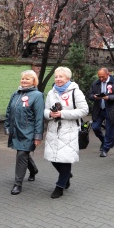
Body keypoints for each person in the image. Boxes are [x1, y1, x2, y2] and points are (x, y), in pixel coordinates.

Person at [44, 67, 88, 198]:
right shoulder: (51, 92)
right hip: (54, 129)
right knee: (53, 158)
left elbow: (84, 110)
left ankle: (60, 186)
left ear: (68, 78)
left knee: (65, 159)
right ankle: (67, 175)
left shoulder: (76, 91)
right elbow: (45, 110)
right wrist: (50, 114)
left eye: (61, 77)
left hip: (69, 130)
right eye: (56, 77)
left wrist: (62, 114)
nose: (58, 79)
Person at [4, 70, 44, 195]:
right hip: (16, 130)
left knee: (21, 154)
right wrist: (7, 126)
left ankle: (17, 184)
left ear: (34, 81)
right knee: (23, 152)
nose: (24, 81)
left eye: (28, 79)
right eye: (23, 78)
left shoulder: (38, 95)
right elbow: (9, 111)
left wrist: (38, 136)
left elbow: (39, 117)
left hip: (28, 131)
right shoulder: (15, 94)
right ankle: (33, 169)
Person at [88, 67, 114, 157]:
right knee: (95, 127)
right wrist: (94, 96)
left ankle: (105, 149)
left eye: (103, 77)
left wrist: (109, 97)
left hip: (111, 110)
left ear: (108, 74)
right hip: (99, 109)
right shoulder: (96, 83)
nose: (101, 79)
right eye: (99, 76)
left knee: (109, 130)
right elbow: (89, 95)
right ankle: (104, 141)